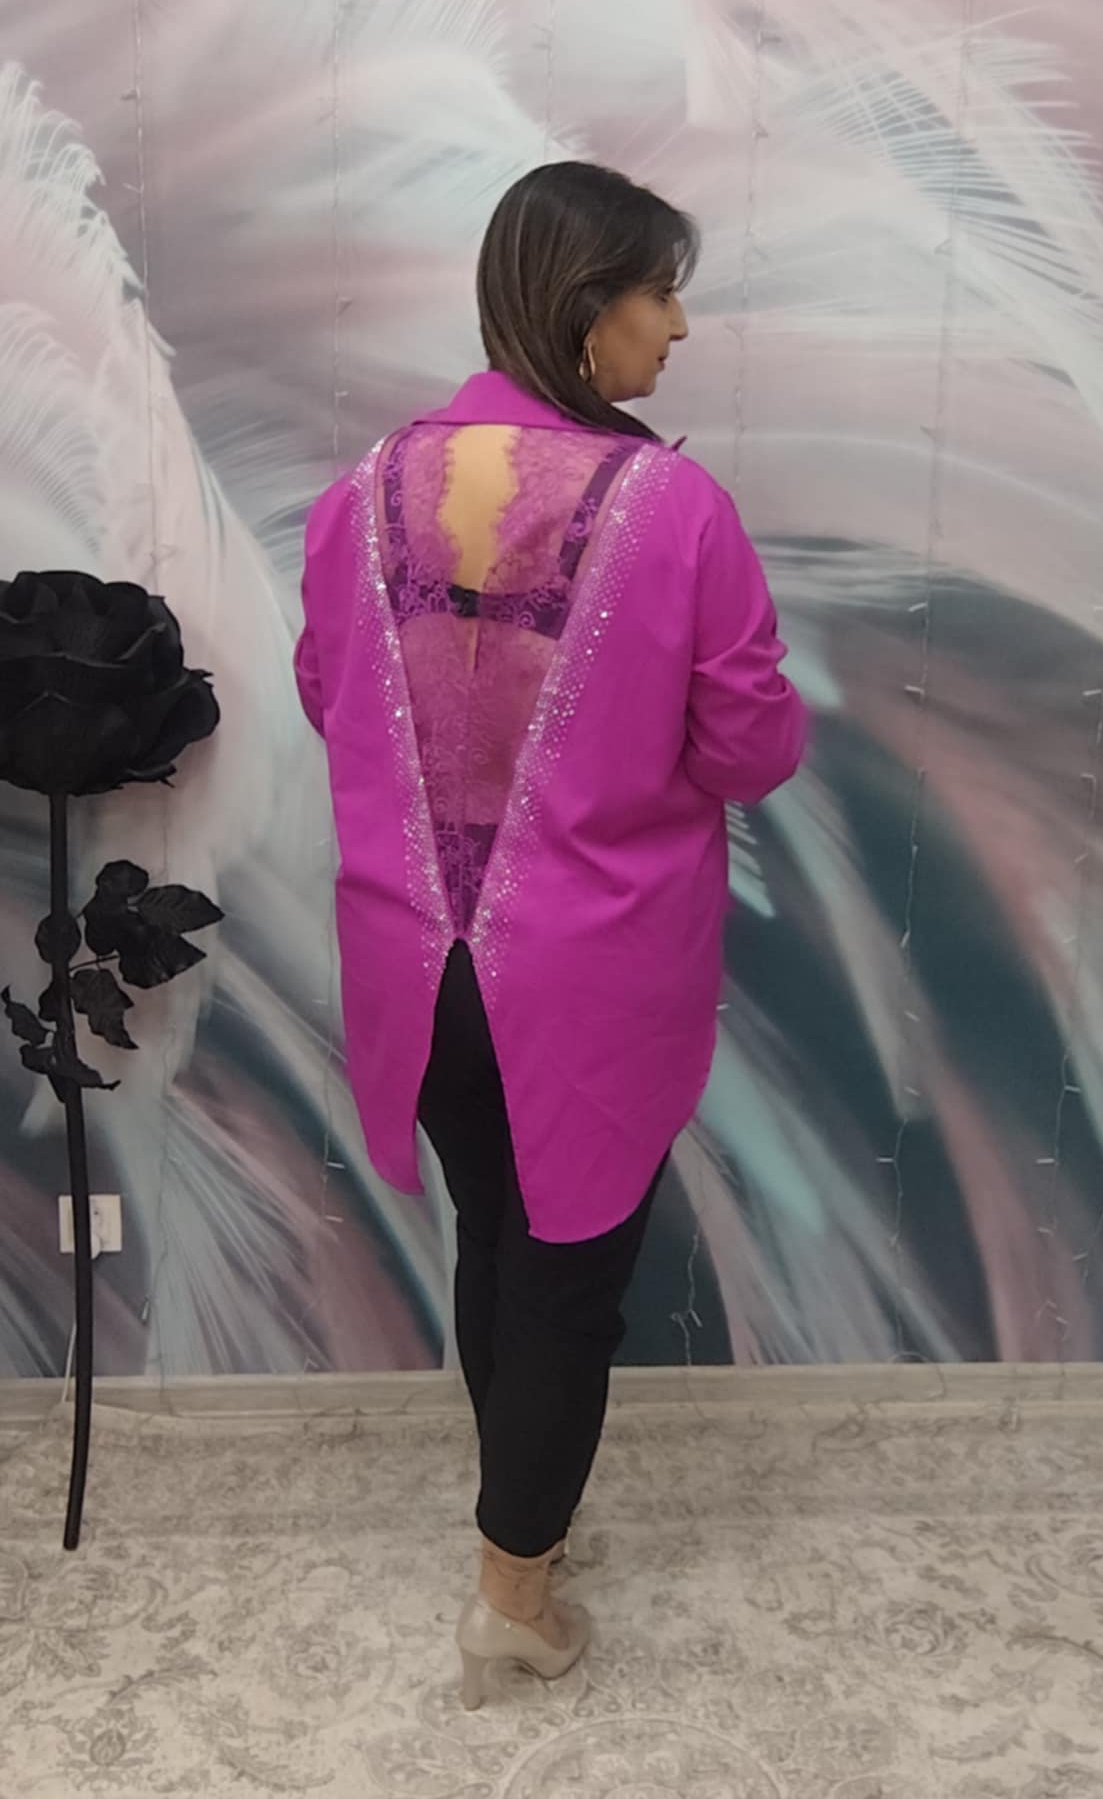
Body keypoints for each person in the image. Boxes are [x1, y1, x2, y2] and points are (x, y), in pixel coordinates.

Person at [294, 161, 807, 1709]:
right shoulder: (675, 509)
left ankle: (520, 1530)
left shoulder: (367, 486)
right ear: (588, 309)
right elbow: (749, 749)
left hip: (413, 962)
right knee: (571, 1278)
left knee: (496, 1240)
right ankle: (513, 1596)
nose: (678, 329)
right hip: (590, 974)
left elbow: (327, 693)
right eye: (660, 293)